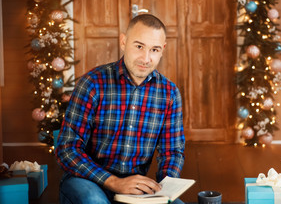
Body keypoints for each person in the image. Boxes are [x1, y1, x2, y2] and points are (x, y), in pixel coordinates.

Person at [55, 14, 185, 204]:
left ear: (162, 50)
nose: (146, 58)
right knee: (94, 201)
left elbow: (172, 152)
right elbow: (67, 149)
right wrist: (114, 182)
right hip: (86, 180)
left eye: (154, 49)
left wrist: (163, 190)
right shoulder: (92, 84)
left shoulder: (169, 93)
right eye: (139, 46)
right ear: (124, 42)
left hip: (133, 189)